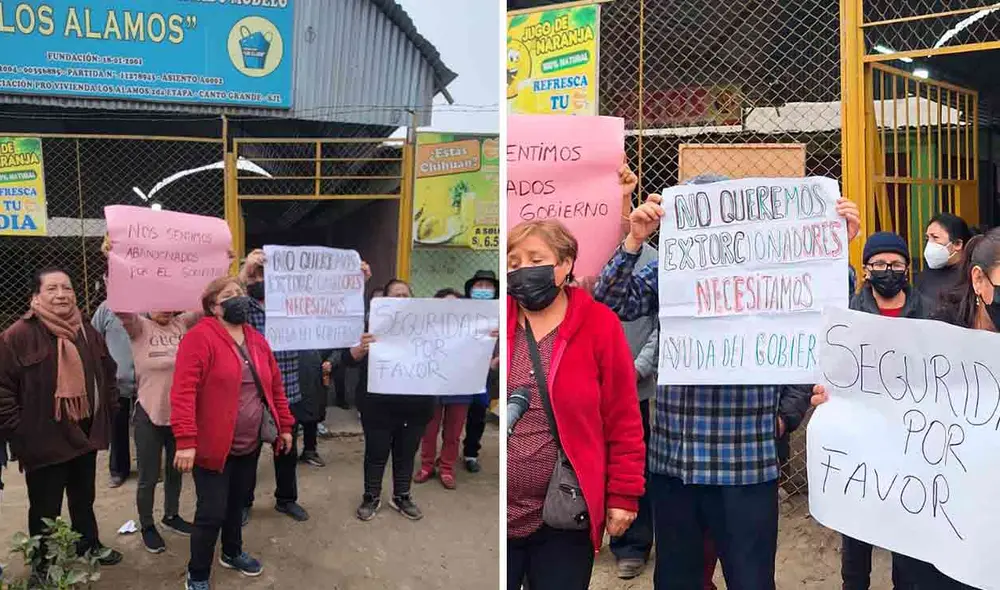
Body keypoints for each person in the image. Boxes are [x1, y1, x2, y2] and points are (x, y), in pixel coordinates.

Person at [593, 173, 861, 589]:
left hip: (745, 459)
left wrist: (834, 246)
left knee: (751, 579)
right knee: (678, 579)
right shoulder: (672, 266)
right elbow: (609, 304)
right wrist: (633, 241)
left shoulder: (774, 266)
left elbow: (826, 306)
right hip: (675, 459)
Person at [506, 219, 646, 590]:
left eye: (536, 258)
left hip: (563, 517)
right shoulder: (497, 324)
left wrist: (623, 495)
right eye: (514, 261)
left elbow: (624, 419)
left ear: (566, 264)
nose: (522, 269)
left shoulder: (599, 325)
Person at [170, 276, 295, 590]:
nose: (238, 298)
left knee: (237, 504)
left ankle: (232, 552)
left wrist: (285, 426)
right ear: (214, 306)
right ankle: (197, 572)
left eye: (241, 293)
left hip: (249, 442)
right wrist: (185, 441)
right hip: (213, 446)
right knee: (211, 512)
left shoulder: (256, 338)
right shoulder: (200, 337)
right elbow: (183, 392)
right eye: (229, 295)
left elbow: (274, 386)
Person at [0, 268, 124, 569]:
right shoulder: (18, 336)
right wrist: (21, 432)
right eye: (52, 288)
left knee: (84, 499)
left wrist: (108, 408)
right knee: (45, 507)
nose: (61, 295)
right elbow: (3, 389)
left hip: (84, 434)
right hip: (42, 440)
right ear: (36, 296)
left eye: (66, 288)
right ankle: (43, 566)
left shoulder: (87, 330)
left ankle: (88, 545)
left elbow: (107, 369)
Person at [838, 232, 927, 589]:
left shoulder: (930, 311)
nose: (888, 271)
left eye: (895, 264)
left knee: (906, 530)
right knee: (856, 530)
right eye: (879, 264)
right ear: (866, 269)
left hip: (910, 440)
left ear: (907, 268)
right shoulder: (846, 312)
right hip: (861, 438)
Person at [333, 278, 436, 521]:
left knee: (406, 454)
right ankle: (371, 496)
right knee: (376, 454)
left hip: (416, 406)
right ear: (383, 301)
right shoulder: (369, 326)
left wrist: (481, 336)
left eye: (405, 295)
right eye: (395, 295)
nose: (401, 299)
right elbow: (346, 360)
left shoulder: (428, 327)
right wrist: (359, 350)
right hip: (378, 406)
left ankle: (402, 495)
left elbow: (455, 346)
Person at [117, 309, 200, 554]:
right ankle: (147, 525)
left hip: (180, 414)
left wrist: (245, 271)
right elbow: (120, 310)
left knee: (176, 470)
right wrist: (117, 277)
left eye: (168, 303)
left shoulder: (182, 323)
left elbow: (210, 300)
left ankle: (171, 515)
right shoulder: (139, 326)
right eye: (157, 303)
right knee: (148, 476)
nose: (163, 309)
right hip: (148, 413)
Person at [238, 250, 309, 523]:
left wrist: (351, 280)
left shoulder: (293, 305)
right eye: (255, 276)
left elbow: (333, 307)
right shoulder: (243, 309)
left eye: (264, 275)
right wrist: (247, 269)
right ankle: (244, 502)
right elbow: (226, 297)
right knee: (248, 453)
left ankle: (286, 499)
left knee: (287, 450)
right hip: (252, 395)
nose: (259, 280)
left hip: (288, 389)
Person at [415, 288, 474, 490]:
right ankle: (427, 465)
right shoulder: (424, 329)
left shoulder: (471, 330)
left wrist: (488, 337)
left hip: (461, 389)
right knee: (429, 430)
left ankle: (447, 468)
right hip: (432, 388)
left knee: (453, 433)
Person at [91, 276, 136, 488]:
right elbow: (94, 339)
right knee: (118, 428)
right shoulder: (106, 309)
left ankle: (149, 468)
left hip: (147, 382)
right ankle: (119, 470)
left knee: (148, 430)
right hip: (117, 381)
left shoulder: (149, 306)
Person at [462, 270, 500, 473]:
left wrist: (497, 358)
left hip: (485, 373)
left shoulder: (502, 313)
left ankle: (470, 453)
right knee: (452, 414)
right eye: (479, 286)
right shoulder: (460, 310)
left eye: (488, 286)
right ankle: (443, 455)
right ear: (471, 289)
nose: (483, 290)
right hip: (458, 371)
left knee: (477, 412)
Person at [914, 212, 974, 308]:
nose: (929, 244)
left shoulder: (972, 277)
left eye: (935, 238)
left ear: (958, 244)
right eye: (927, 239)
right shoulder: (925, 275)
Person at [296, 348, 333, 468]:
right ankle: (287, 452)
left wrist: (331, 361)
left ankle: (309, 451)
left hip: (315, 374)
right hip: (289, 371)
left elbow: (336, 347)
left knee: (312, 412)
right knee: (288, 415)